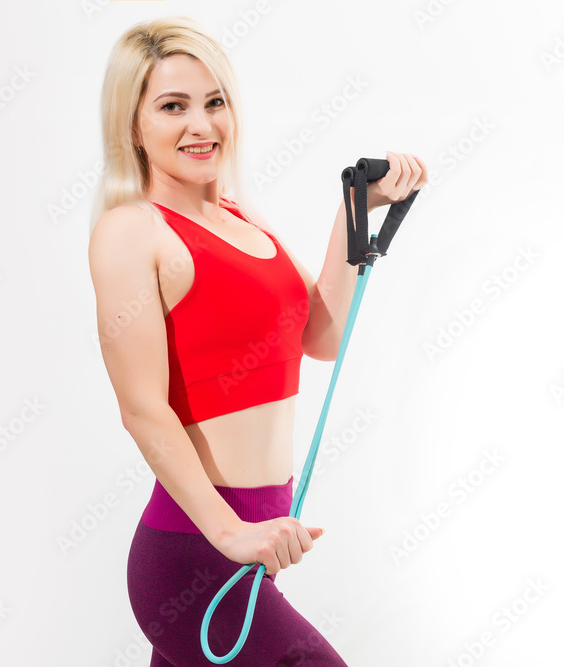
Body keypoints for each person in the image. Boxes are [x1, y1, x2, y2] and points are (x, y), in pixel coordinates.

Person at [87, 16, 427, 666]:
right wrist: (230, 532)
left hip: (250, 546)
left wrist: (356, 210)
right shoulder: (132, 231)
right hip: (195, 551)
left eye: (214, 102)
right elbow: (142, 408)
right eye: (173, 106)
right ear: (132, 124)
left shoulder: (244, 219)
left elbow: (322, 335)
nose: (201, 124)